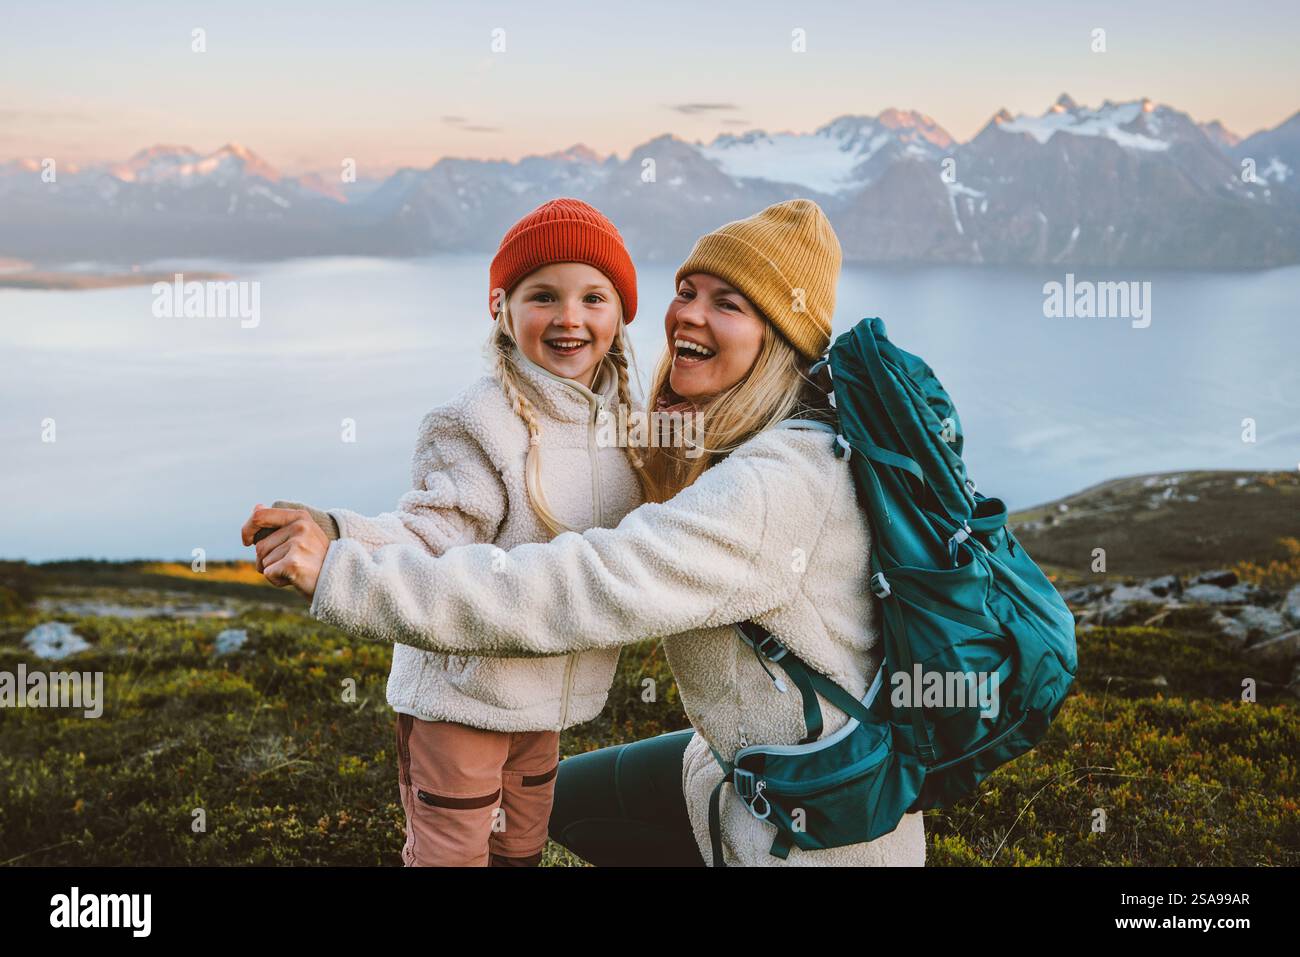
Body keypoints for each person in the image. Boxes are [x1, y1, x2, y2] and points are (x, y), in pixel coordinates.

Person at [244, 198, 926, 867]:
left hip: (809, 834)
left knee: (534, 811)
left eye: (730, 303)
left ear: (779, 335)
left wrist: (343, 569)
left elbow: (583, 584)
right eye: (689, 290)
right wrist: (342, 530)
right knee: (539, 809)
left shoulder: (772, 485)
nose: (688, 312)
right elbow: (434, 529)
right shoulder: (721, 434)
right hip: (726, 772)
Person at [255, 198, 647, 866]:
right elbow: (426, 538)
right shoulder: (476, 422)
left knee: (520, 849)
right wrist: (336, 534)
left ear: (621, 311)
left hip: (539, 705)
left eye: (594, 297)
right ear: (505, 308)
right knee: (451, 857)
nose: (570, 318)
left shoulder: (626, 423)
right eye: (542, 295)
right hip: (461, 701)